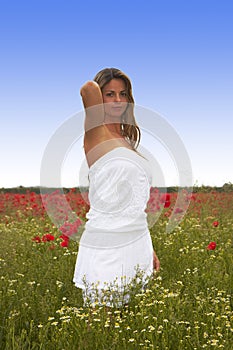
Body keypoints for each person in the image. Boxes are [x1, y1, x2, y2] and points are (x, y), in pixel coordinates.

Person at [73, 67, 160, 307]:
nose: (118, 100)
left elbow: (136, 205)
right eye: (110, 94)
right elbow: (87, 89)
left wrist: (148, 249)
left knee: (129, 327)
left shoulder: (129, 143)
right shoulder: (95, 132)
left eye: (123, 94)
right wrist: (100, 93)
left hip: (137, 244)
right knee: (101, 324)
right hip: (106, 246)